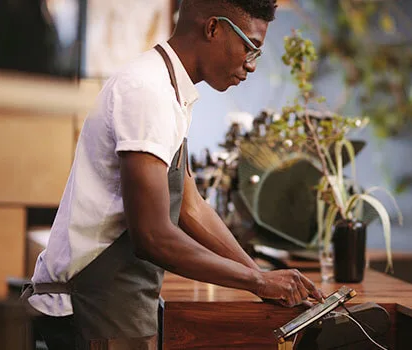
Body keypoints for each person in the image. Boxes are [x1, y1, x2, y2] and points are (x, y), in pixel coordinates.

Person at [22, 0, 323, 348]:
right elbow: (152, 235)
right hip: (89, 312)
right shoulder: (146, 92)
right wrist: (255, 282)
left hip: (117, 307)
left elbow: (190, 206)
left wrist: (260, 276)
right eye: (250, 46)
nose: (251, 65)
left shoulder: (169, 90)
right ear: (213, 29)